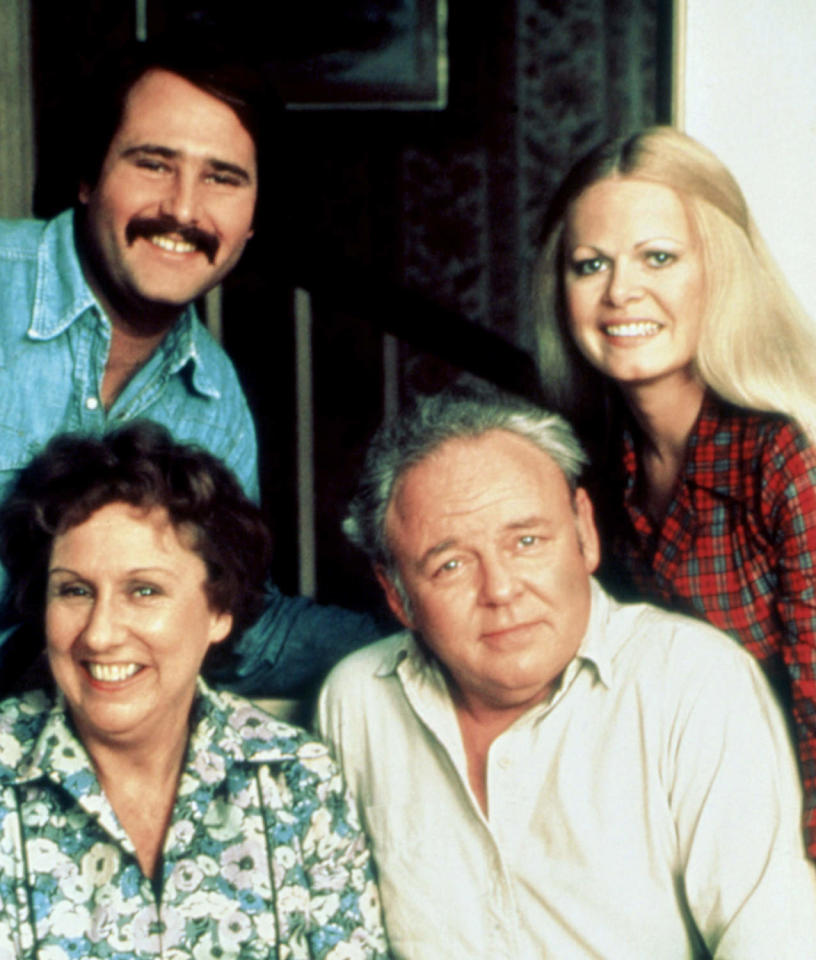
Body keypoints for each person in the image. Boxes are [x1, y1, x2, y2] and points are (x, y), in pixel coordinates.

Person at [0, 40, 384, 947]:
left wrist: (432, 630)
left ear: (252, 220)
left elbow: (233, 627)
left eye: (223, 178)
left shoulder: (210, 415)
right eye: (153, 163)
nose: (183, 210)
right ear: (89, 177)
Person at [317, 387, 816, 959]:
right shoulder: (356, 702)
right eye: (450, 565)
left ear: (584, 532)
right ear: (396, 594)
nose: (500, 591)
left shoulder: (693, 681)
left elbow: (773, 940)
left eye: (527, 541)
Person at [0, 421, 388, 959]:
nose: (101, 633)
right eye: (75, 590)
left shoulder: (297, 777)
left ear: (220, 610)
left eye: (144, 590)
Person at [530, 125, 816, 859]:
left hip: (783, 852)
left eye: (659, 257)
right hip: (662, 836)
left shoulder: (787, 457)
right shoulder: (587, 462)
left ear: (718, 271)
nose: (621, 291)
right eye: (590, 264)